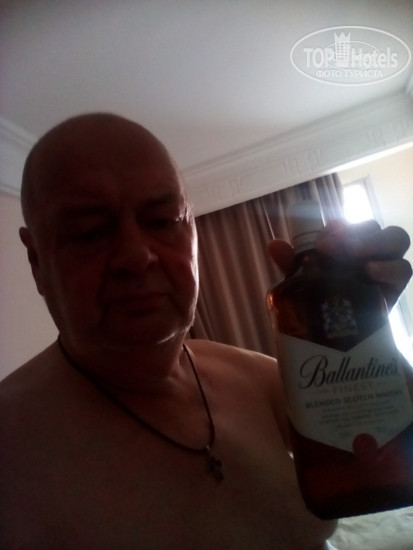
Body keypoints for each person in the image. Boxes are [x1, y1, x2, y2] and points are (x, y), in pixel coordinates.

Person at [0, 113, 411, 550]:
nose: (137, 256)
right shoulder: (11, 456)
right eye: (89, 232)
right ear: (36, 261)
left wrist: (368, 343)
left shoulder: (252, 375)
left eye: (163, 220)